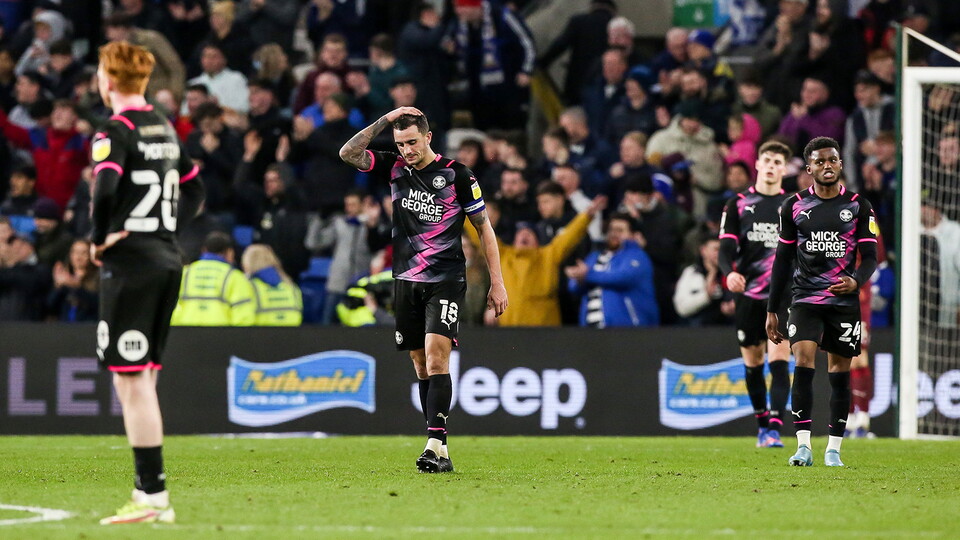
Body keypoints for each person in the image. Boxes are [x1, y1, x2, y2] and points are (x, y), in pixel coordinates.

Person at [339, 106, 507, 473]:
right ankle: (440, 451)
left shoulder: (457, 175)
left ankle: (433, 444)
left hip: (445, 279)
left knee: (435, 356)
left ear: (428, 137)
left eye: (413, 142)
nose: (407, 150)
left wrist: (497, 281)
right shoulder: (395, 166)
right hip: (406, 280)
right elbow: (348, 153)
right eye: (400, 144)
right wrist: (386, 120)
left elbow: (484, 228)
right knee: (419, 363)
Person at [91, 41, 205, 524]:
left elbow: (104, 189)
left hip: (132, 264)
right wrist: (165, 228)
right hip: (166, 258)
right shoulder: (164, 126)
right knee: (145, 376)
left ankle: (153, 497)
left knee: (132, 381)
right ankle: (147, 493)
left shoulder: (115, 130)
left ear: (108, 80)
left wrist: (100, 238)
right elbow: (195, 189)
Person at [766, 136, 879, 468]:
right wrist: (772, 309)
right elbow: (782, 261)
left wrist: (856, 281)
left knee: (839, 371)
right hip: (805, 298)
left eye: (832, 160)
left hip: (843, 300)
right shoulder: (793, 206)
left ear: (840, 164)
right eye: (819, 162)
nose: (826, 166)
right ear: (809, 168)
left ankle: (833, 449)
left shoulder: (859, 206)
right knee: (802, 360)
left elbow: (870, 257)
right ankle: (803, 446)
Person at [718, 141, 794, 448]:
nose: (772, 166)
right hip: (748, 294)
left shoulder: (794, 205)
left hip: (782, 295)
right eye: (768, 160)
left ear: (784, 169)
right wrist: (729, 273)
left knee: (779, 358)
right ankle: (762, 424)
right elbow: (725, 248)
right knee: (752, 363)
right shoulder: (737, 203)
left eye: (778, 162)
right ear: (758, 165)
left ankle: (774, 428)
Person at [566, 212, 658, 327]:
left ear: (633, 235)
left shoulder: (637, 256)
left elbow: (624, 277)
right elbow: (573, 286)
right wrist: (578, 278)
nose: (614, 234)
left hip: (627, 329)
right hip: (591, 328)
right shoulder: (594, 256)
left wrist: (587, 275)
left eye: (620, 230)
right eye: (611, 229)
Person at [170, 231, 256, 327]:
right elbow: (243, 317)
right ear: (229, 252)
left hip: (184, 331)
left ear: (204, 250)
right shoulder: (235, 277)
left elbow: (170, 307)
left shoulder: (185, 273)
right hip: (221, 334)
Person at [241, 243, 303, 326]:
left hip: (260, 331)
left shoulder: (247, 287)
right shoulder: (291, 287)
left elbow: (244, 318)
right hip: (292, 331)